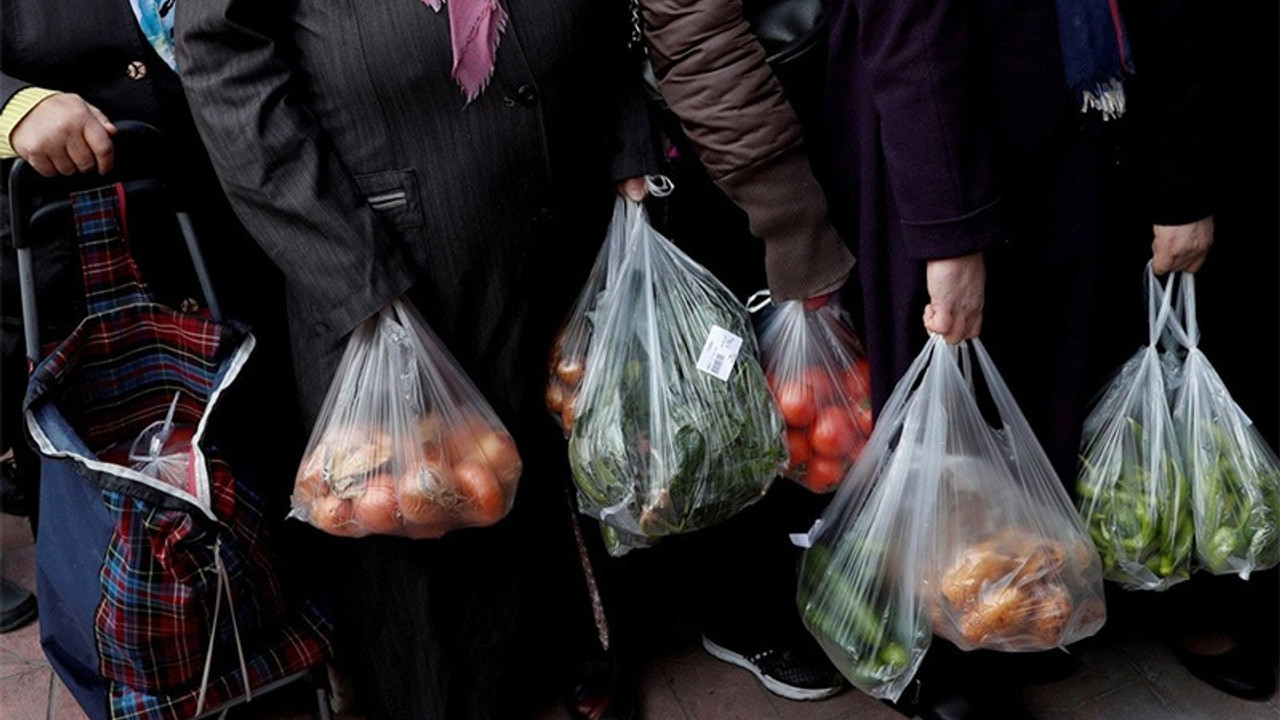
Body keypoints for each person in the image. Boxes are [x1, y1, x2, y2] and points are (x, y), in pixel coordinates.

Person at [174, 2, 658, 718]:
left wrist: (625, 139)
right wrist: (348, 269)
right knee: (424, 527)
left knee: (553, 459)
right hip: (392, 240)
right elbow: (221, 55)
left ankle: (569, 652)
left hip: (552, 203)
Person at [818, 0, 1139, 716]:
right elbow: (912, 36)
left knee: (1019, 408)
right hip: (946, 157)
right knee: (947, 434)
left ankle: (1008, 623)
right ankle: (941, 655)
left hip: (1039, 135)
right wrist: (949, 236)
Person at [0, 0, 303, 639]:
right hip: (78, 246)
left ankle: (283, 622)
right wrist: (15, 105)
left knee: (264, 430)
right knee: (112, 508)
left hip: (234, 209)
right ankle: (149, 661)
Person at [618, 0, 856, 703]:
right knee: (740, 397)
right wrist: (788, 215)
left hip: (787, 120)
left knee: (804, 395)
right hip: (737, 153)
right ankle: (746, 613)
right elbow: (694, 34)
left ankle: (807, 593)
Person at [1097, 0, 1279, 702]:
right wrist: (1180, 191)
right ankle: (1202, 596)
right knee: (1212, 381)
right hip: (1215, 142)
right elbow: (1167, 22)